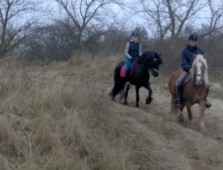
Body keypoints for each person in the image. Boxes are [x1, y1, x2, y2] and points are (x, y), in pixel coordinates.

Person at [175, 33, 211, 108]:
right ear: (189, 41)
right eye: (192, 41)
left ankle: (205, 99)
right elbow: (183, 62)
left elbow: (203, 61)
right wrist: (189, 68)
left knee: (207, 84)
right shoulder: (185, 51)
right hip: (188, 70)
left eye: (194, 41)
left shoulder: (199, 50)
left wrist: (203, 68)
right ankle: (179, 98)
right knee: (179, 82)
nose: (193, 42)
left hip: (198, 71)